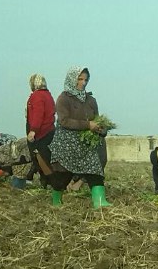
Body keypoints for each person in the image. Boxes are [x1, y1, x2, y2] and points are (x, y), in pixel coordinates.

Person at [47, 67, 111, 208]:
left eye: (86, 79)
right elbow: (64, 121)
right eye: (80, 79)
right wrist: (88, 125)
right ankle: (56, 201)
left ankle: (100, 202)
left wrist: (101, 128)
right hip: (67, 143)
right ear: (72, 79)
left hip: (86, 144)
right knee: (62, 176)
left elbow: (96, 119)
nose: (83, 83)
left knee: (95, 170)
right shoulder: (63, 98)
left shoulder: (90, 100)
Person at [25, 73, 56, 187]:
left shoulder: (37, 96)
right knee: (46, 157)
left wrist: (33, 130)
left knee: (40, 157)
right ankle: (47, 182)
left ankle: (50, 182)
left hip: (40, 133)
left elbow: (38, 114)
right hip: (49, 130)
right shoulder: (48, 95)